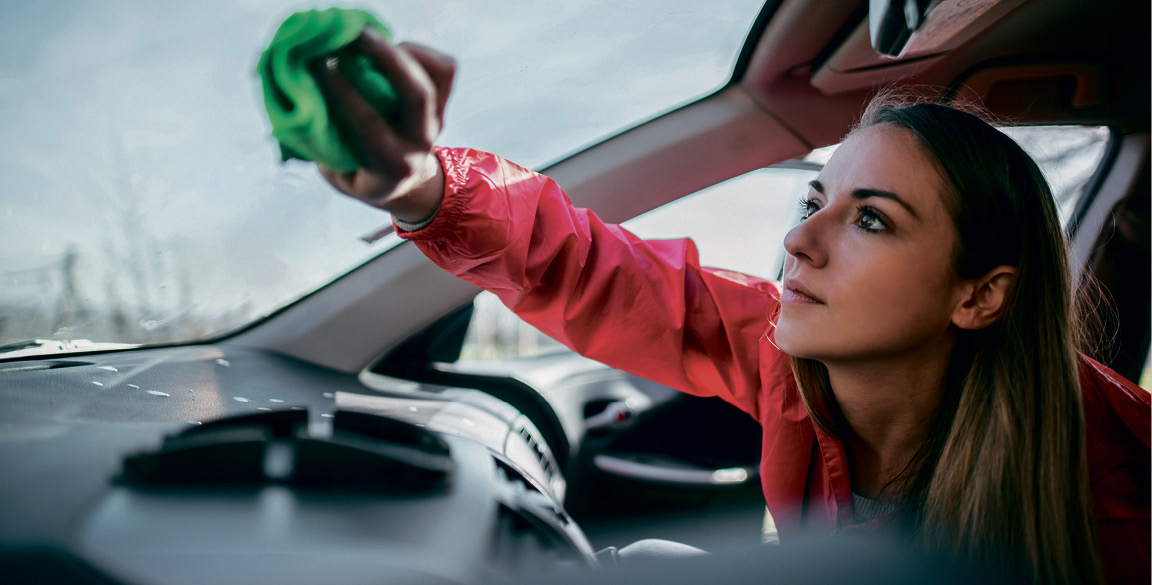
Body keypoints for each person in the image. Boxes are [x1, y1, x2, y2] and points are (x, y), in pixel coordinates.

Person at [315, 29, 1150, 585]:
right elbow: (586, 268)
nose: (799, 243)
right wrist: (422, 185)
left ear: (980, 294)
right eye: (812, 201)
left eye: (870, 219)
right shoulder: (787, 357)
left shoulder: (1121, 492)